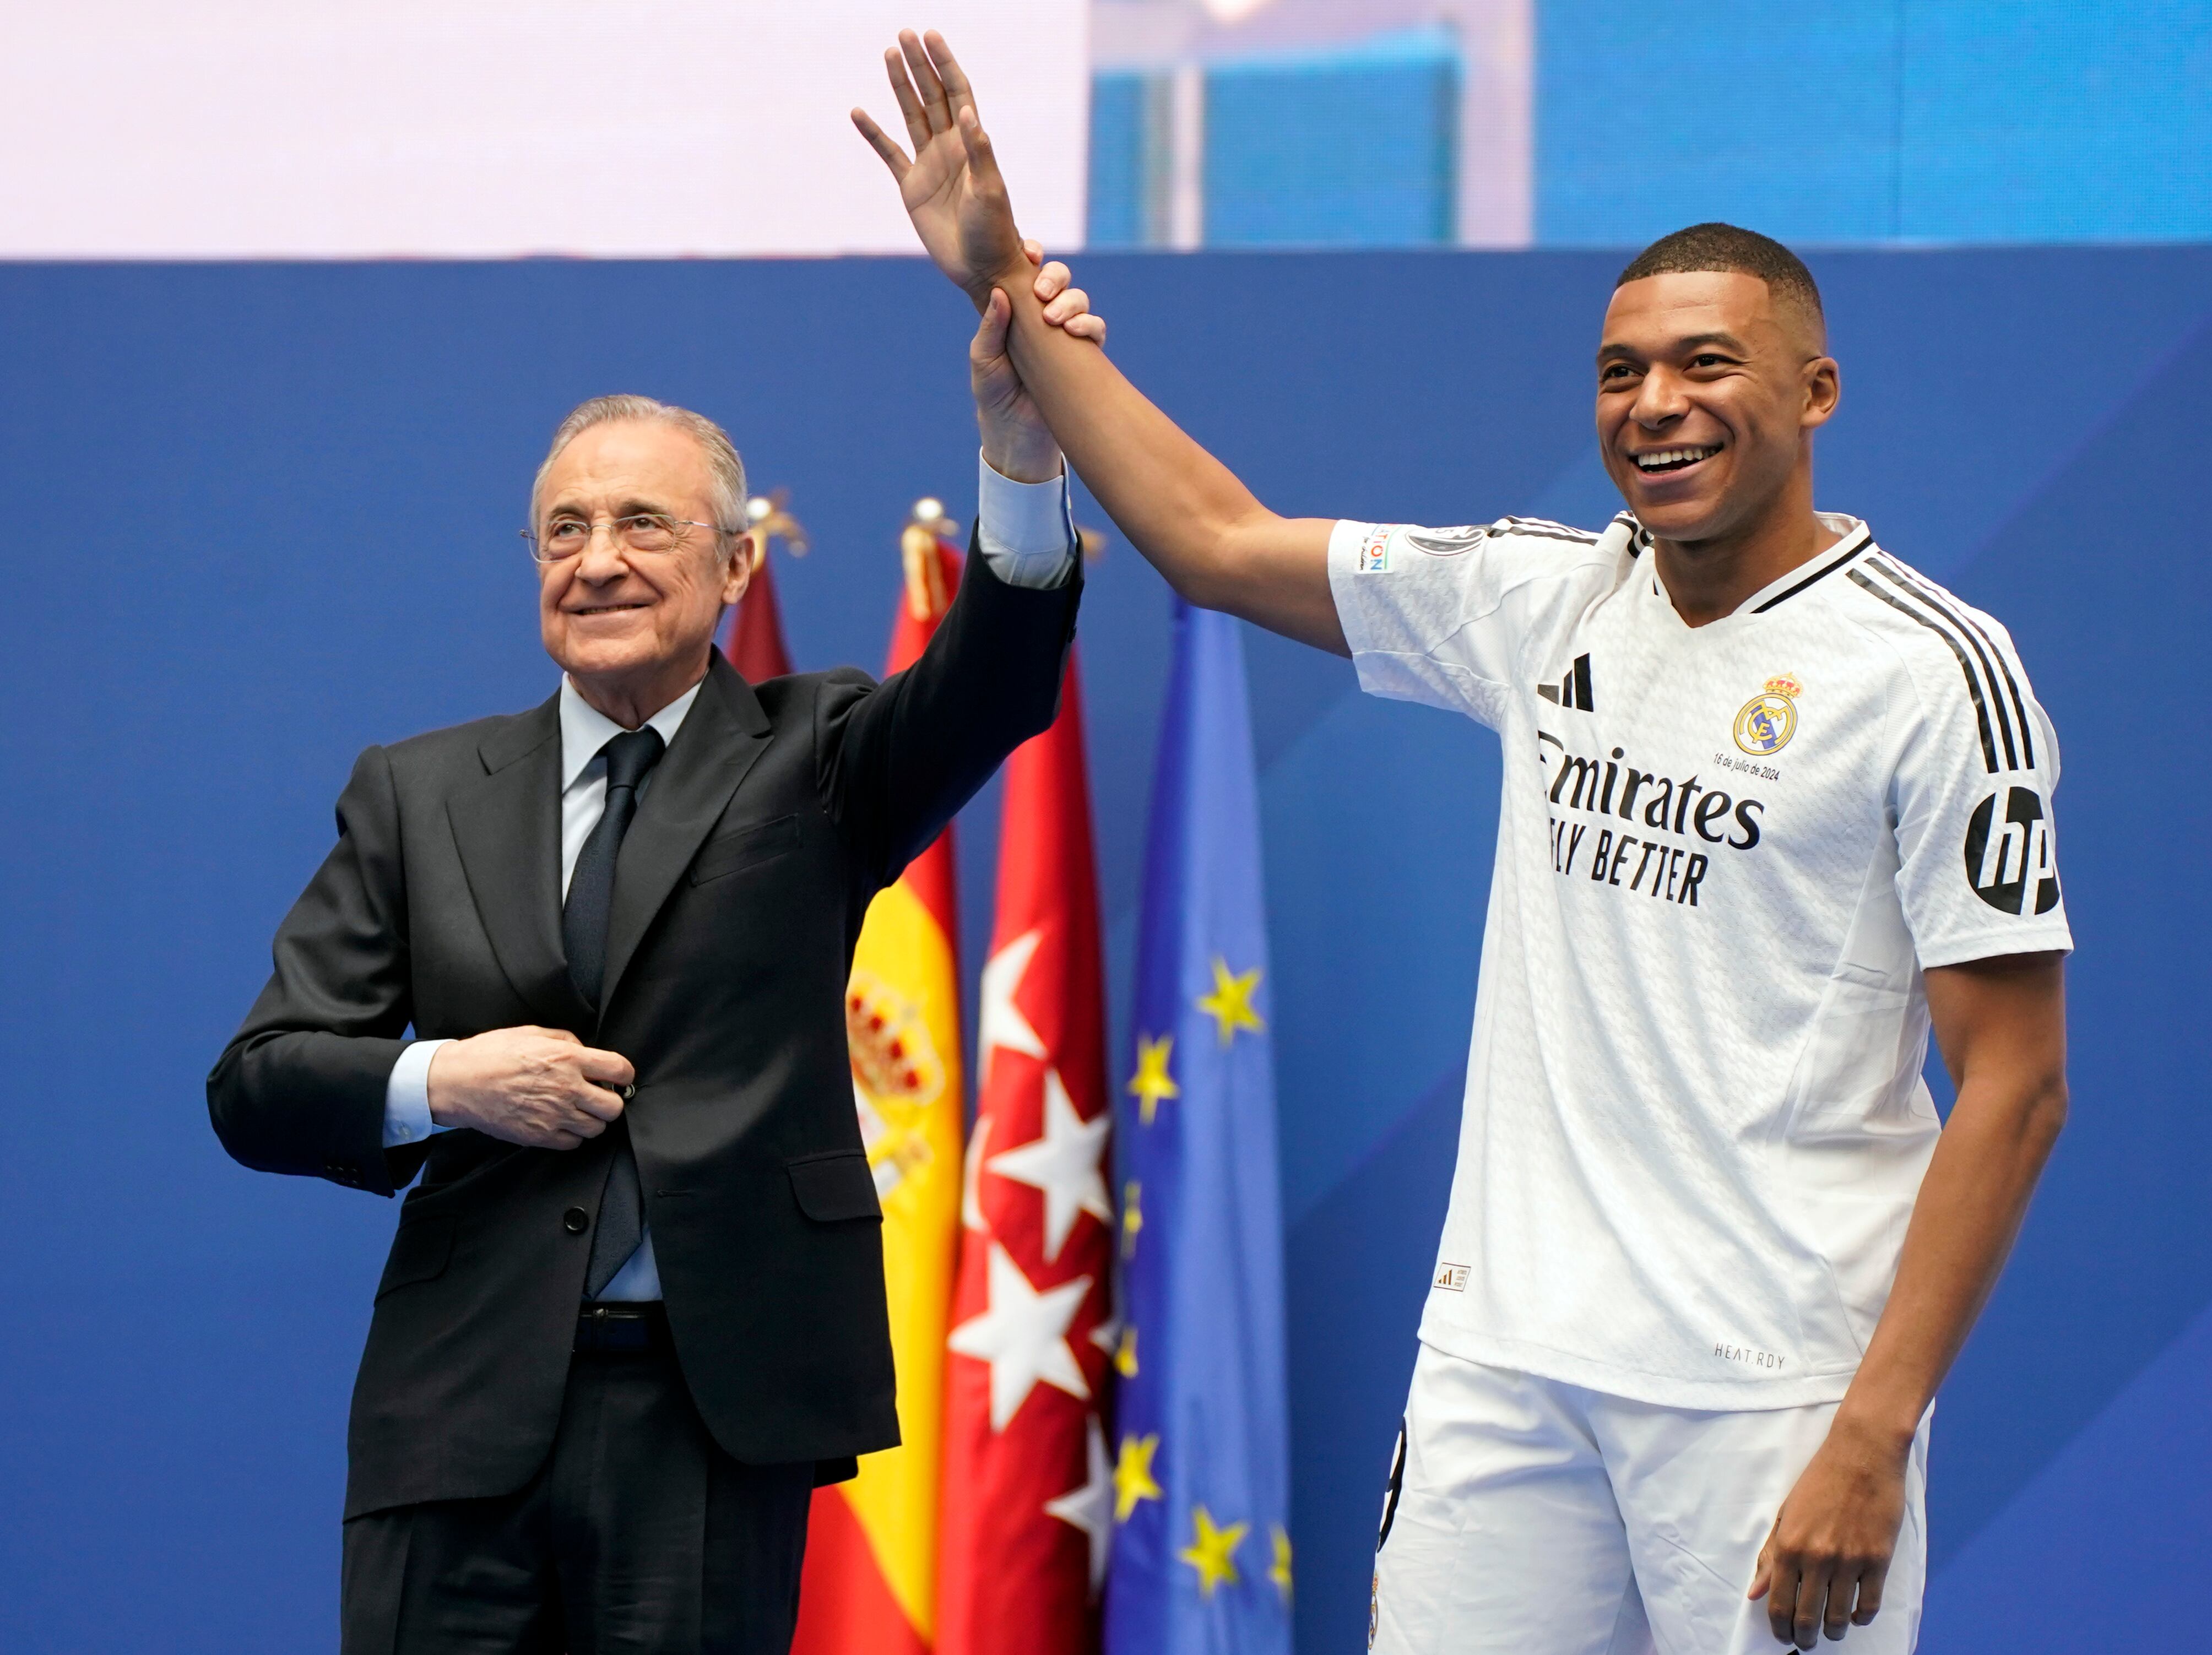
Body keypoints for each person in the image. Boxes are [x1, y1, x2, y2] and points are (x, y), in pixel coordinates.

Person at [856, 34, 2071, 1653]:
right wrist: (996, 273)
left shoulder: (1934, 671)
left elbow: (2015, 1082)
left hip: (1774, 1393)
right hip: (1504, 1370)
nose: (1656, 405)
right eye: (1621, 369)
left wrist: (1875, 1427)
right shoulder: (1541, 592)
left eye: (1707, 364)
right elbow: (1217, 540)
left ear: (1813, 391)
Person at [207, 254, 1107, 1654]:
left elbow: (994, 680)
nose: (599, 560)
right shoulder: (419, 790)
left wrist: (1016, 449)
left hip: (709, 1408)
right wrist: (447, 1081)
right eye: (563, 531)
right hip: (452, 1420)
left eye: (641, 523)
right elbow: (259, 1083)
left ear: (736, 562)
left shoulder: (821, 753)